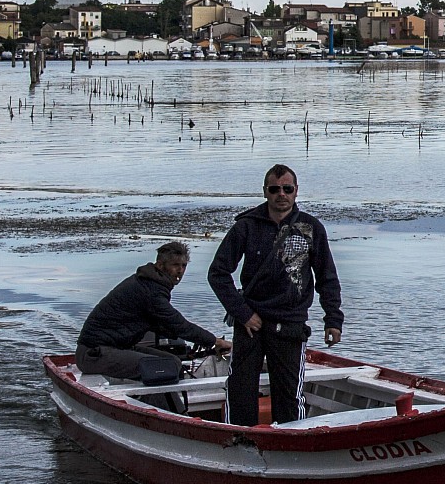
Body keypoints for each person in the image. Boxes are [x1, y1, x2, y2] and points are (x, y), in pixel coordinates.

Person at [208, 163, 343, 426]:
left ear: (296, 191)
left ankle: (292, 441)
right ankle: (239, 439)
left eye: (287, 189)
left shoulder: (311, 227)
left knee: (289, 395)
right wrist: (242, 313)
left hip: (290, 322)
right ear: (265, 192)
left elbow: (327, 277)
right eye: (275, 189)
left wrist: (333, 320)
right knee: (240, 390)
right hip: (251, 323)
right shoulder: (246, 226)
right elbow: (218, 274)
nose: (281, 194)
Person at [77, 240, 229, 384]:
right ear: (160, 265)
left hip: (118, 347)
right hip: (93, 354)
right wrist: (216, 342)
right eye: (175, 265)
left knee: (174, 362)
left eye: (184, 265)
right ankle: (150, 401)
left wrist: (202, 343)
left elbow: (165, 326)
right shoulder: (150, 291)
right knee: (168, 367)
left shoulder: (151, 283)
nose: (181, 271)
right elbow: (178, 324)